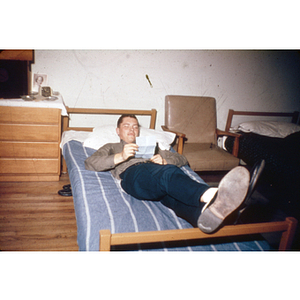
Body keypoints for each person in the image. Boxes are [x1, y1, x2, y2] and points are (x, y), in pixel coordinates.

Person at [85, 114, 253, 233]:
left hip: (157, 179)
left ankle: (219, 216)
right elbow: (90, 163)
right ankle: (212, 194)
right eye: (126, 126)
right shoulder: (112, 147)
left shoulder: (152, 147)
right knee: (167, 175)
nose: (132, 130)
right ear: (118, 131)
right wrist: (120, 156)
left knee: (174, 198)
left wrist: (166, 160)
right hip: (132, 176)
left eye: (135, 127)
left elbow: (182, 159)